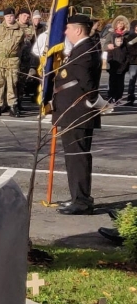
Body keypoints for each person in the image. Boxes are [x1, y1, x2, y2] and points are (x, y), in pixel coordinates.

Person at [53, 14, 103, 215]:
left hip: (77, 112)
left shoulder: (84, 50)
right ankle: (78, 196)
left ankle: (81, 201)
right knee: (75, 157)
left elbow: (87, 83)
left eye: (68, 28)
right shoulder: (82, 48)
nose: (65, 32)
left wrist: (94, 103)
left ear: (78, 30)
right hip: (74, 111)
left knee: (77, 157)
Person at [0, 7, 25, 116]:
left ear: (15, 17)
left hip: (13, 60)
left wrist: (13, 53)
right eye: (7, 16)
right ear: (4, 17)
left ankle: (12, 106)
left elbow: (21, 45)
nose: (9, 18)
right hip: (0, 60)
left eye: (12, 16)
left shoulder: (20, 31)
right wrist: (0, 53)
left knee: (12, 83)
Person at [107, 33, 128, 101]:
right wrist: (113, 67)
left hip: (122, 70)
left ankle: (118, 97)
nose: (119, 43)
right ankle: (111, 96)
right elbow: (109, 59)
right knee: (112, 84)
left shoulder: (124, 48)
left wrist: (123, 67)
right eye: (118, 41)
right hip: (113, 69)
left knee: (120, 85)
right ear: (114, 41)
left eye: (120, 41)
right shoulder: (112, 49)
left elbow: (127, 59)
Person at [125, 20, 137, 105]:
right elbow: (129, 49)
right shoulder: (131, 37)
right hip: (134, 62)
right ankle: (130, 99)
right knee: (132, 80)